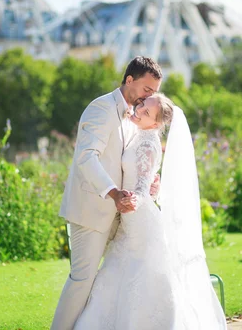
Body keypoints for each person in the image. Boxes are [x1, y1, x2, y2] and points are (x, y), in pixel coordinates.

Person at [74, 93, 227, 329]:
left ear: (155, 124)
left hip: (139, 219)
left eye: (146, 112)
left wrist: (134, 197)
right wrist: (149, 192)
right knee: (123, 271)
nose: (140, 109)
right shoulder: (137, 133)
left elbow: (141, 189)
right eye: (143, 104)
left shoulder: (148, 143)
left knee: (141, 272)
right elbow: (147, 185)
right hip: (133, 217)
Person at [51, 56, 163, 330]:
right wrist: (114, 194)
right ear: (129, 80)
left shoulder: (132, 117)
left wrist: (147, 184)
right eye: (147, 90)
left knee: (107, 285)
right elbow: (87, 158)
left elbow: (127, 163)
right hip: (91, 212)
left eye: (154, 93)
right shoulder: (101, 108)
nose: (150, 97)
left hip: (122, 218)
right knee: (81, 281)